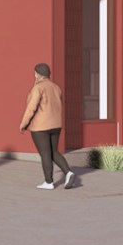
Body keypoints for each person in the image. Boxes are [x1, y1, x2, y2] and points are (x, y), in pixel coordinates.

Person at [19, 62, 75, 190]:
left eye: (35, 73)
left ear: (37, 74)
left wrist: (23, 124)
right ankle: (68, 172)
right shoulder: (56, 87)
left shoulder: (38, 88)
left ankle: (48, 182)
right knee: (54, 151)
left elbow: (31, 108)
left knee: (45, 154)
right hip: (56, 125)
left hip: (41, 127)